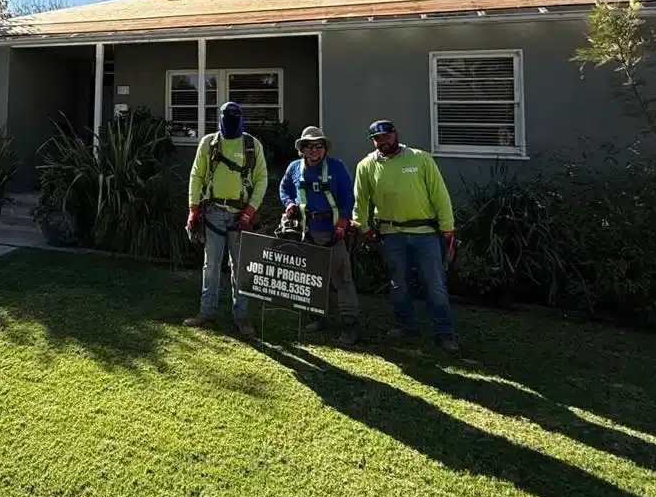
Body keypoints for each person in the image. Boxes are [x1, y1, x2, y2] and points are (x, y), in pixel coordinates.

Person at [351, 119, 459, 351]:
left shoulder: (420, 158)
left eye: (387, 135)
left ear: (395, 134)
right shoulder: (366, 166)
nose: (384, 141)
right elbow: (360, 201)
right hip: (391, 234)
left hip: (425, 233)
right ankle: (404, 326)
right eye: (378, 138)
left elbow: (439, 194)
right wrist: (363, 227)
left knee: (435, 285)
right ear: (373, 142)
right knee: (399, 284)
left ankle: (444, 333)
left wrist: (447, 227)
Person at [184, 101, 268, 337]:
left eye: (234, 116)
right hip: (213, 213)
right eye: (226, 116)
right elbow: (196, 175)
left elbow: (261, 179)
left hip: (241, 216)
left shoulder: (252, 145)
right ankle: (206, 312)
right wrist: (193, 208)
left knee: (240, 268)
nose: (230, 120)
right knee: (211, 265)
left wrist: (250, 211)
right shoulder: (208, 143)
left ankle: (241, 317)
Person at [279, 126, 360, 347]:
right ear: (302, 150)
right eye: (309, 146)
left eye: (319, 146)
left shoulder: (336, 167)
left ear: (325, 149)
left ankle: (348, 323)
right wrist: (289, 204)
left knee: (342, 277)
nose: (314, 150)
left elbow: (347, 195)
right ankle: (319, 317)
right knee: (313, 277)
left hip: (333, 230)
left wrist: (343, 220)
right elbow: (284, 188)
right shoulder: (295, 168)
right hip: (307, 231)